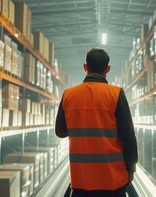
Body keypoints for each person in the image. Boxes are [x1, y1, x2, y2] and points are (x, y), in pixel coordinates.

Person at [55, 48, 138, 197]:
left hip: (80, 182)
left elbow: (60, 132)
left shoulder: (68, 95)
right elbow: (129, 138)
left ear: (85, 67)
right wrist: (131, 169)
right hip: (112, 182)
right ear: (108, 69)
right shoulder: (116, 94)